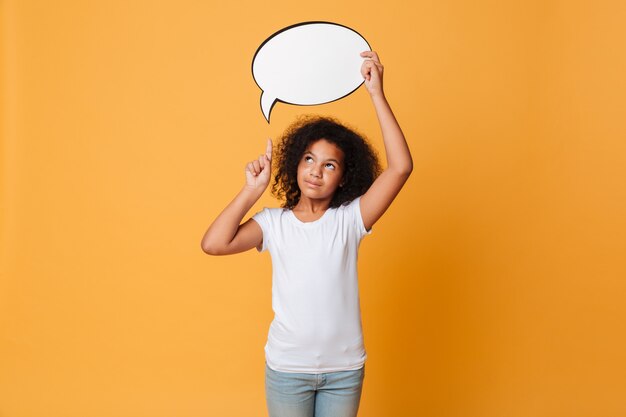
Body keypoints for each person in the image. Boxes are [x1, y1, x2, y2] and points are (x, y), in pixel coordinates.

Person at [201, 51, 412, 417]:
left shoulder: (349, 220)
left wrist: (376, 94)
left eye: (329, 164)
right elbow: (214, 244)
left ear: (343, 177)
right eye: (309, 159)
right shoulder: (273, 223)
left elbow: (401, 167)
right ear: (295, 164)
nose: (316, 171)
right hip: (287, 370)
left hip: (344, 371)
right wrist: (252, 190)